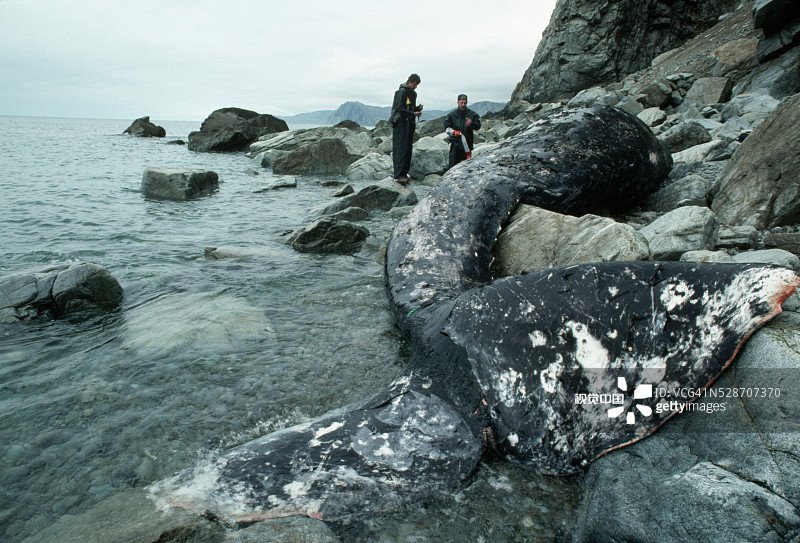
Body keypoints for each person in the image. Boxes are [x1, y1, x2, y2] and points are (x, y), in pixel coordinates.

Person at [390, 74, 423, 183]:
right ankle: (398, 175)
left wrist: (417, 109)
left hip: (409, 124)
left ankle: (404, 173)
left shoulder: (413, 93)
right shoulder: (401, 92)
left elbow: (409, 107)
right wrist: (413, 113)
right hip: (400, 124)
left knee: (407, 149)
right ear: (409, 82)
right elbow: (400, 108)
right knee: (400, 148)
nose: (415, 87)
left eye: (417, 85)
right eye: (414, 84)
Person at [444, 94, 481, 169]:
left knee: (467, 168)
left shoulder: (472, 114)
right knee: (452, 167)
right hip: (455, 145)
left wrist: (471, 123)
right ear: (457, 102)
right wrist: (453, 132)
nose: (463, 104)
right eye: (461, 102)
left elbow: (478, 126)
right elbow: (446, 127)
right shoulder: (452, 114)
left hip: (467, 146)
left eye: (465, 102)